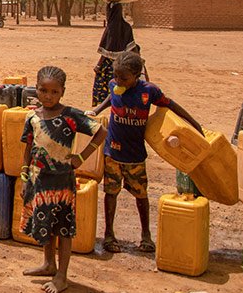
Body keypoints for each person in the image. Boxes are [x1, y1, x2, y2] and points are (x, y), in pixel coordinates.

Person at [87, 52, 203, 253]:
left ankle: (146, 236)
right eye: (115, 76)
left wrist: (194, 123)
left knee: (141, 195)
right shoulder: (114, 85)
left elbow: (171, 105)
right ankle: (109, 235)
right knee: (110, 193)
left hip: (135, 154)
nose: (118, 80)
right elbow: (111, 96)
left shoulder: (149, 92)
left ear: (136, 75)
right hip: (112, 151)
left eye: (124, 77)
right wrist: (97, 110)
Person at [19, 65, 106, 293]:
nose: (48, 96)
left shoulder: (70, 116)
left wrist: (81, 157)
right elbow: (28, 147)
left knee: (63, 228)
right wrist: (24, 176)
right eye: (43, 90)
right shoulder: (32, 117)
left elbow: (101, 132)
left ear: (62, 92)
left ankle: (62, 276)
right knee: (45, 223)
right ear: (36, 90)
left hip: (62, 183)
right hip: (39, 181)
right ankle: (49, 264)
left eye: (54, 92)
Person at [92, 0, 139, 106]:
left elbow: (106, 51)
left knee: (104, 89)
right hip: (123, 63)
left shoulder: (110, 28)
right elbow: (132, 47)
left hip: (109, 66)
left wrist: (98, 65)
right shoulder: (127, 27)